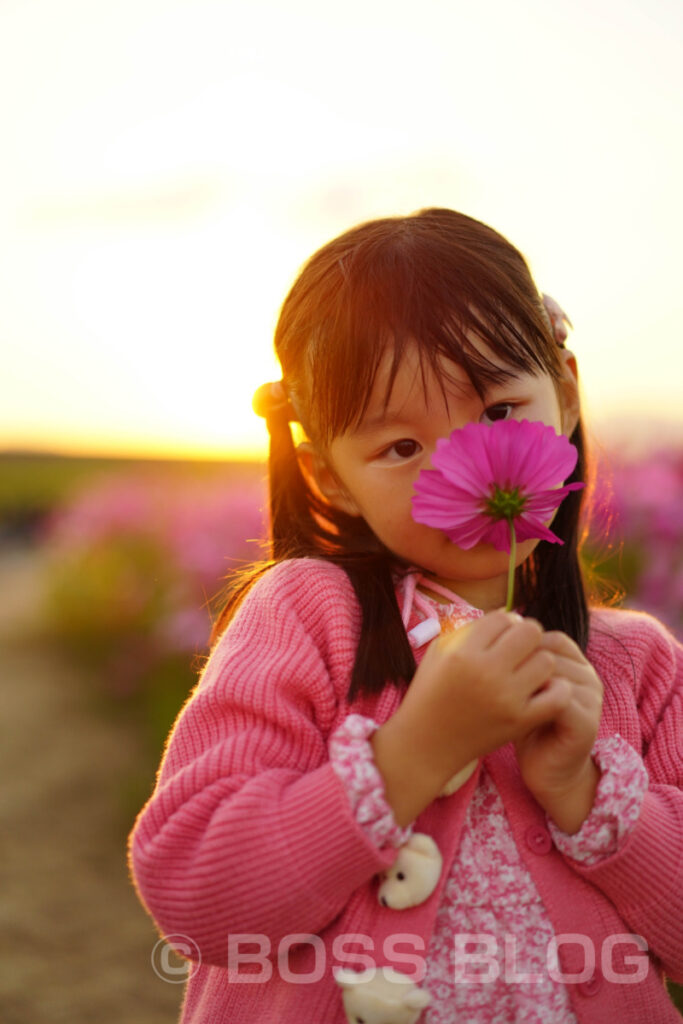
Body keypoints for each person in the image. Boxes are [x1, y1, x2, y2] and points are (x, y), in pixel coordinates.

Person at [128, 209, 683, 1023]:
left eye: (497, 412)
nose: (467, 464)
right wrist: (415, 750)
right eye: (400, 447)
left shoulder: (640, 664)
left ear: (564, 394)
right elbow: (198, 898)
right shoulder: (303, 619)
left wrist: (584, 788)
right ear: (331, 476)